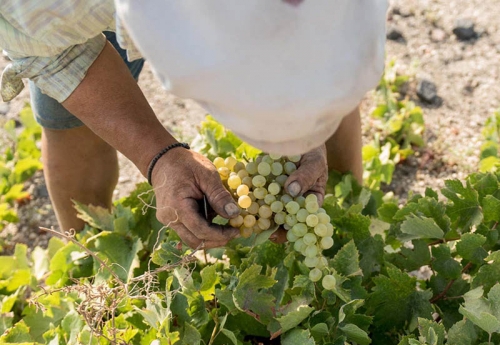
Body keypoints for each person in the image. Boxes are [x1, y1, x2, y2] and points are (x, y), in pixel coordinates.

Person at [0, 0, 387, 249]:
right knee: (69, 117)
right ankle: (91, 260)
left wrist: (310, 130)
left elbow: (331, 50)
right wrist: (158, 156)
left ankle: (345, 216)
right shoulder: (41, 8)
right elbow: (59, 58)